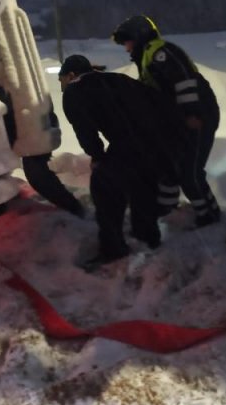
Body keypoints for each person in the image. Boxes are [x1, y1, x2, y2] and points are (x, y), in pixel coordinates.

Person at [59, 54, 183, 269]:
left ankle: (113, 248)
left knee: (105, 190)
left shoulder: (74, 90)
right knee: (142, 187)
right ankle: (148, 238)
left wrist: (97, 156)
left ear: (71, 75)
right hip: (159, 143)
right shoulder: (118, 79)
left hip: (129, 145)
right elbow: (156, 99)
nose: (61, 86)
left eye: (61, 80)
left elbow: (85, 129)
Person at [112, 14, 221, 227]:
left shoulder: (161, 52)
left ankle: (209, 214)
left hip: (198, 117)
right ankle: (166, 207)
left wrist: (192, 114)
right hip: (181, 120)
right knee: (170, 165)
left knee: (190, 172)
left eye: (128, 42)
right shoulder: (147, 57)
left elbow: (184, 82)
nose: (126, 48)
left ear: (139, 35)